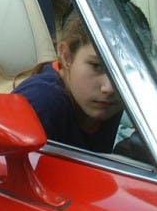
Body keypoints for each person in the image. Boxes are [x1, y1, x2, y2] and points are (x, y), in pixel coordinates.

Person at [15, 10, 124, 152]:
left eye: (124, 71)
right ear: (66, 57)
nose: (109, 88)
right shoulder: (42, 103)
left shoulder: (122, 92)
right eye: (96, 66)